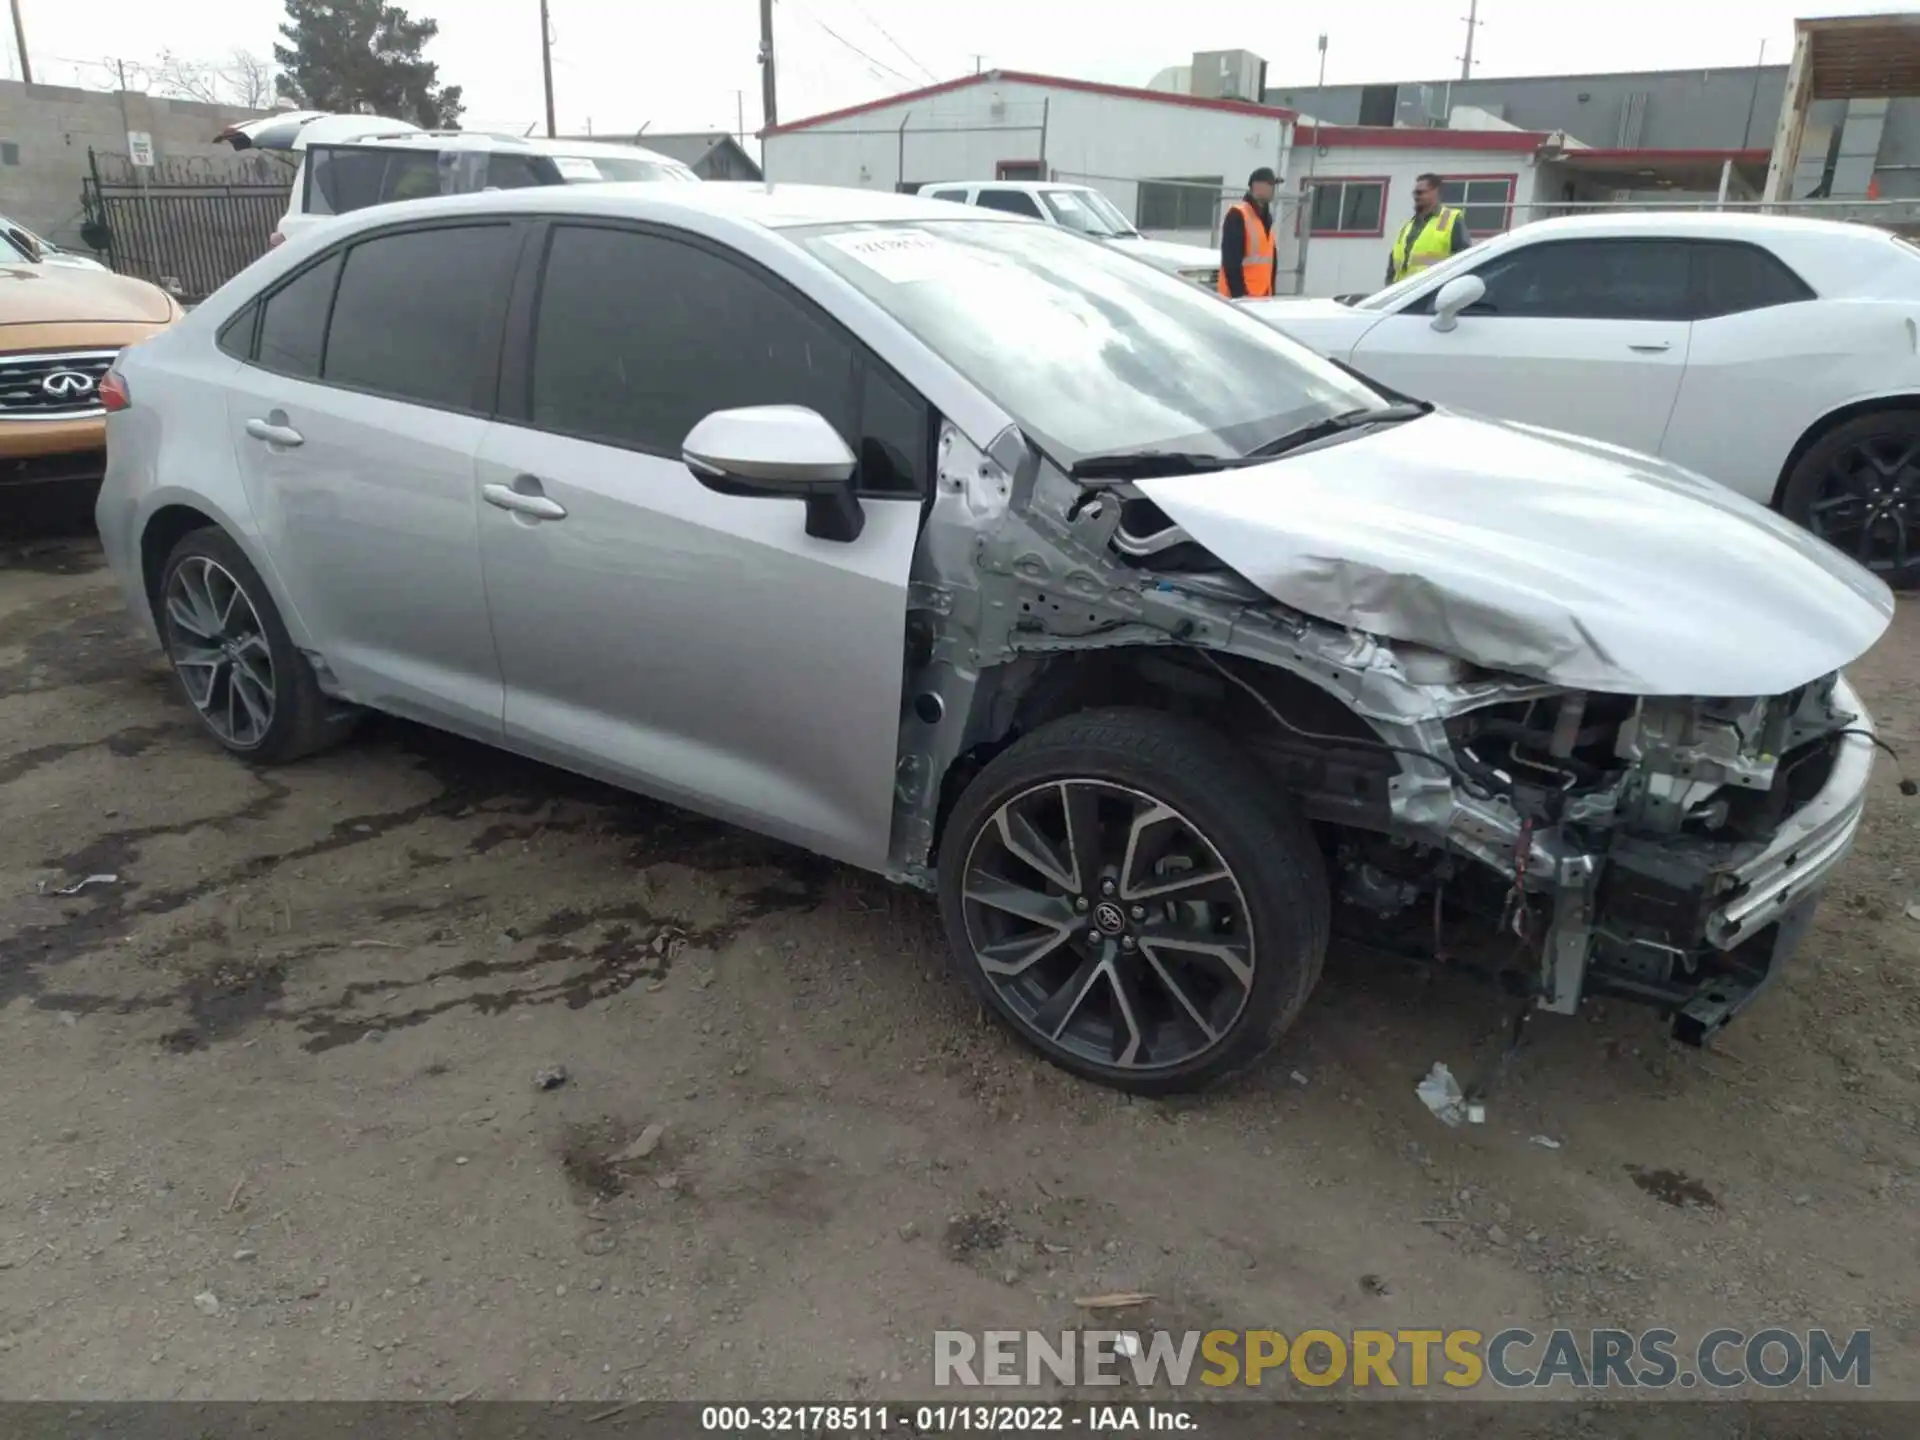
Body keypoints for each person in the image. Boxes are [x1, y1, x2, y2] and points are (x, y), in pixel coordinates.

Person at [1386, 173, 1472, 285]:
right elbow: (1393, 264)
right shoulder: (1408, 226)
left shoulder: (1451, 220)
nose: (1416, 197)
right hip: (1404, 294)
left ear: (1435, 192)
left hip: (1432, 292)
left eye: (1420, 193)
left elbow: (1463, 260)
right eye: (1414, 193)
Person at [1217, 167, 1277, 300]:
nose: (1274, 189)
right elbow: (1231, 262)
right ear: (1257, 186)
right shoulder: (1238, 215)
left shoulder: (1266, 218)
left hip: (1262, 298)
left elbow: (1271, 262)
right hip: (1238, 300)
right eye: (1271, 184)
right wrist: (1240, 297)